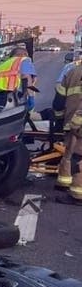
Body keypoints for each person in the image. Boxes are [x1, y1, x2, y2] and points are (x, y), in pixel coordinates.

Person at [55, 60, 82, 206]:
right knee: (72, 155)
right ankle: (65, 183)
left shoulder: (72, 72)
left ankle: (78, 194)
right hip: (76, 124)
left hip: (73, 123)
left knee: (74, 156)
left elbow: (58, 100)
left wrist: (58, 119)